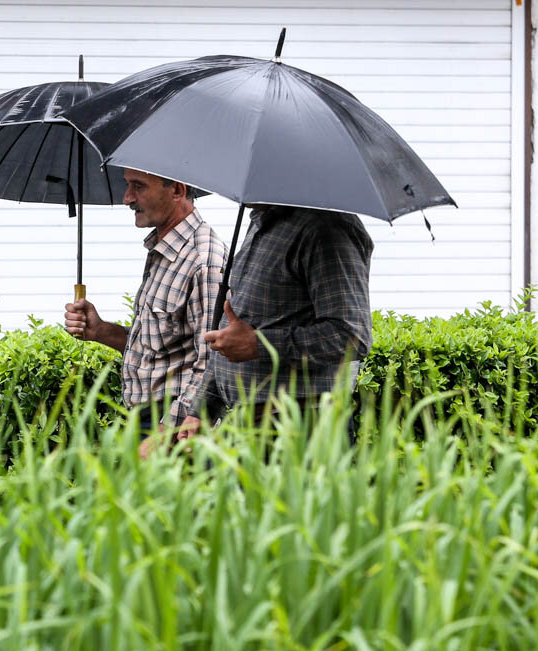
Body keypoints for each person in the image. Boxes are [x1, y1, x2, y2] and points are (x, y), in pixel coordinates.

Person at [64, 168, 227, 457]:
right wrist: (100, 331)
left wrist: (167, 433)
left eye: (138, 186)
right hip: (148, 421)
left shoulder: (205, 261)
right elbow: (161, 349)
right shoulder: (165, 251)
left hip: (177, 430)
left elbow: (214, 361)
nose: (127, 198)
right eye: (128, 186)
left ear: (177, 190)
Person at [183, 204, 374, 438]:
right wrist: (202, 409)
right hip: (250, 424)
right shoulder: (261, 220)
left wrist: (260, 344)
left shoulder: (327, 228)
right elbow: (235, 331)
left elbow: (351, 337)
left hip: (304, 429)